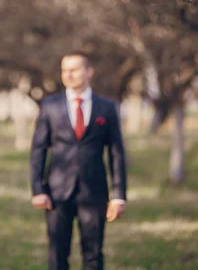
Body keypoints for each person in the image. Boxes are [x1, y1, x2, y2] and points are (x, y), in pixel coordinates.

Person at [30, 51, 127, 270]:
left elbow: (116, 152)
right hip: (56, 193)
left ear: (89, 71)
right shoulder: (49, 105)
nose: (68, 75)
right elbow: (38, 150)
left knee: (93, 254)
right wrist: (37, 189)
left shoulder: (107, 107)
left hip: (94, 191)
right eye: (65, 70)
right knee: (57, 255)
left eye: (74, 69)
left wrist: (119, 195)